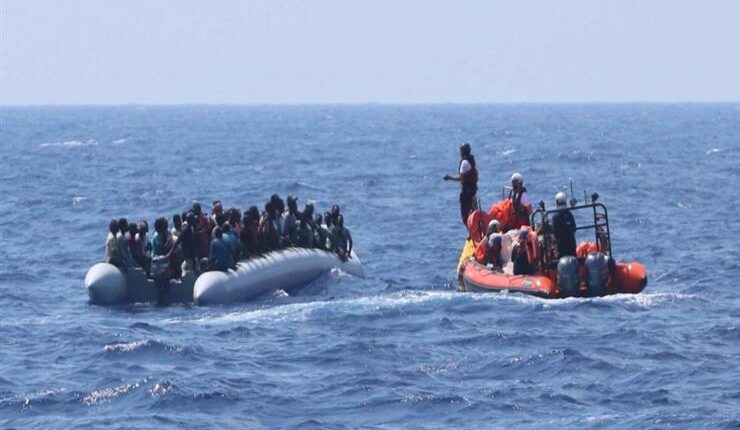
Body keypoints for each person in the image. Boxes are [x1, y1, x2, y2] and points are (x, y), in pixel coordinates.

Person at [444, 143, 479, 225]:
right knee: (473, 211)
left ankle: (471, 228)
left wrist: (450, 178)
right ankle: (476, 227)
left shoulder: (464, 163)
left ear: (462, 152)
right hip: (473, 190)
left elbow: (461, 178)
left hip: (466, 192)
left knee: (466, 214)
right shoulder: (472, 161)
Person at [551, 192, 577, 258]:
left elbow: (554, 233)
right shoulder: (570, 215)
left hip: (560, 249)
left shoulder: (555, 217)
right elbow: (574, 229)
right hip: (572, 247)